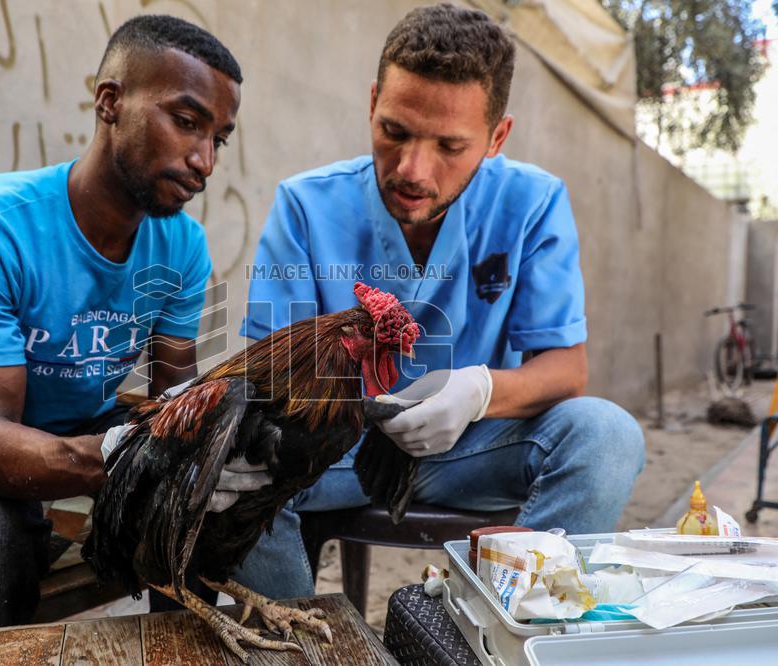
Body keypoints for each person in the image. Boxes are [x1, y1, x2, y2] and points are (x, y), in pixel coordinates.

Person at [234, 3, 645, 599]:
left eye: (450, 146)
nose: (413, 171)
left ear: (497, 138)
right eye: (394, 131)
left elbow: (566, 368)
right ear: (372, 102)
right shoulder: (305, 206)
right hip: (337, 452)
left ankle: (510, 624)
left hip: (473, 447)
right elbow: (269, 376)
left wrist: (479, 391)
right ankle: (302, 640)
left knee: (607, 437)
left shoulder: (532, 204)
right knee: (231, 467)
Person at [0, 15, 259, 664]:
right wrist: (135, 458)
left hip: (84, 421)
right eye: (186, 121)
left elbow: (174, 398)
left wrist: (199, 459)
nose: (204, 161)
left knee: (198, 506)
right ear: (110, 102)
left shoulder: (181, 245)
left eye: (218, 139)